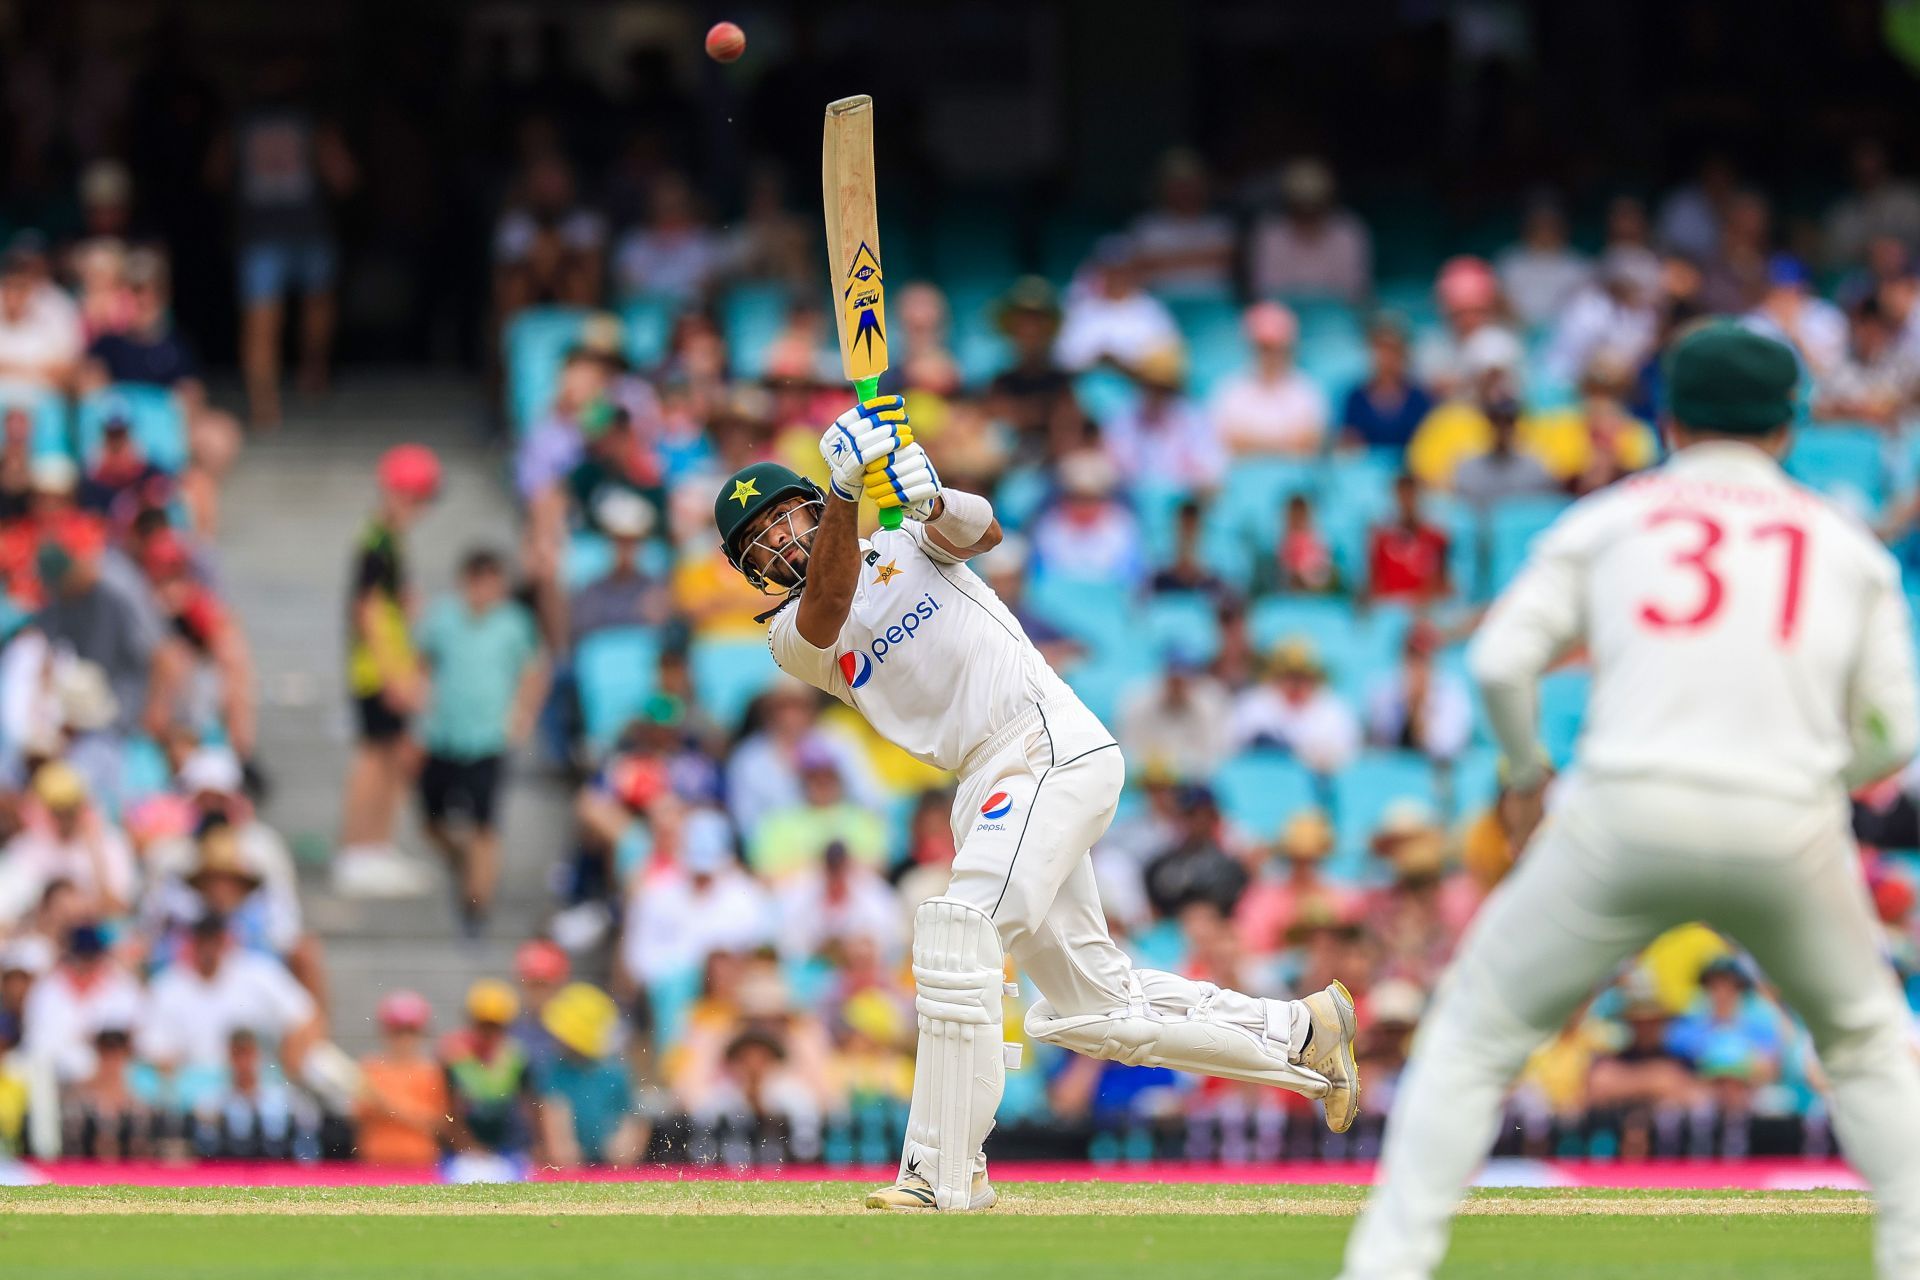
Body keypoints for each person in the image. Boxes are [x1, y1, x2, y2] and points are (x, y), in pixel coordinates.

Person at [1339, 322, 1920, 1279]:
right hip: (1788, 817)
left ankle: (1386, 1268)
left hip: (1621, 810)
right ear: (1790, 426)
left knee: (1475, 1037)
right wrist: (1821, 782)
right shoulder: (1845, 544)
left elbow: (1496, 662)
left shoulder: (1611, 518)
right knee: (1864, 1044)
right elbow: (1896, 734)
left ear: (1667, 416)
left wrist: (1529, 773)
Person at [711, 395, 1361, 1211]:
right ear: (752, 572)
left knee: (962, 934)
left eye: (785, 515)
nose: (780, 538)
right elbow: (831, 608)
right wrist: (847, 493)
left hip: (1044, 740)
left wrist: (931, 495)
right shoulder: (790, 637)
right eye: (760, 541)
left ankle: (942, 1172)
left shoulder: (907, 540)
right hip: (984, 781)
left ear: (807, 500)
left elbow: (983, 534)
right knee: (1093, 1011)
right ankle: (1300, 1035)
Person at [213, 57, 357, 427]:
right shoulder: (307, 122)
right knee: (279, 316)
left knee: (274, 317)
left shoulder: (245, 123)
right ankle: (286, 389)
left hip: (277, 232)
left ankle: (273, 398)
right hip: (288, 231)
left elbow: (213, 174)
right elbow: (344, 177)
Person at [415, 548, 547, 933]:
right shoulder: (443, 619)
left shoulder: (514, 623)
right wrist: (420, 708)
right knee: (432, 819)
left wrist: (522, 716)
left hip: (487, 737)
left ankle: (477, 903)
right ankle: (464, 863)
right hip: (444, 733)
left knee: (484, 823)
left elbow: (534, 670)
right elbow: (423, 662)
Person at [336, 444, 439, 899]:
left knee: (389, 757)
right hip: (376, 670)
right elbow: (370, 611)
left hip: (383, 668)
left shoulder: (386, 540)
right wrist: (398, 675)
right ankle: (359, 849)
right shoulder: (377, 540)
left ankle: (375, 847)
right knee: (375, 758)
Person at [1209, 303, 1328, 457]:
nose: (1271, 355)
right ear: (1251, 346)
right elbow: (1223, 441)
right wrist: (1285, 444)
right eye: (1264, 347)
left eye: (1277, 347)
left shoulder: (1307, 388)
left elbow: (1311, 442)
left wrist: (1252, 444)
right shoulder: (1229, 388)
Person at [1248, 158, 1371, 304]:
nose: (1308, 216)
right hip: (1284, 317)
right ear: (1289, 203)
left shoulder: (1348, 230)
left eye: (1315, 206)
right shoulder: (1270, 233)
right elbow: (1265, 291)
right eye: (1301, 207)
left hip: (1337, 316)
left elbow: (1356, 291)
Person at [354, 989, 448, 1167]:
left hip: (419, 1163)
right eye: (397, 1030)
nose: (404, 1038)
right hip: (376, 1162)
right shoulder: (370, 1068)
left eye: (410, 1031)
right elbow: (357, 1115)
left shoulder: (430, 1072)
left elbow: (438, 1123)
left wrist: (388, 1106)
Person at [1340, 316, 1433, 453]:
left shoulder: (1419, 398)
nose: (1386, 358)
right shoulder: (1356, 398)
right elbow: (1349, 445)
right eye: (1380, 350)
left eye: (1392, 350)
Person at [1497, 200, 1592, 330]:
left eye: (1550, 224)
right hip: (1516, 331)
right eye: (1539, 224)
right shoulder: (1509, 261)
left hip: (1565, 333)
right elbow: (1501, 301)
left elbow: (1584, 308)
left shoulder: (1578, 265)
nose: (1544, 230)